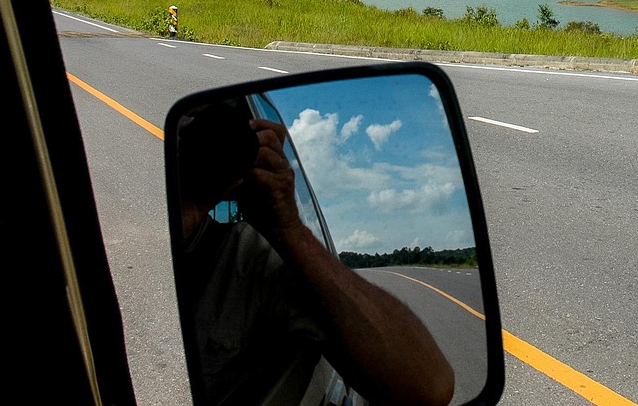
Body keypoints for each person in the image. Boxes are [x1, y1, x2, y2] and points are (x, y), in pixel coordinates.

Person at [176, 101, 454, 406]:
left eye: (224, 134)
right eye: (193, 129)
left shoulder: (253, 260)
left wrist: (289, 230)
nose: (211, 143)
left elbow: (432, 388)